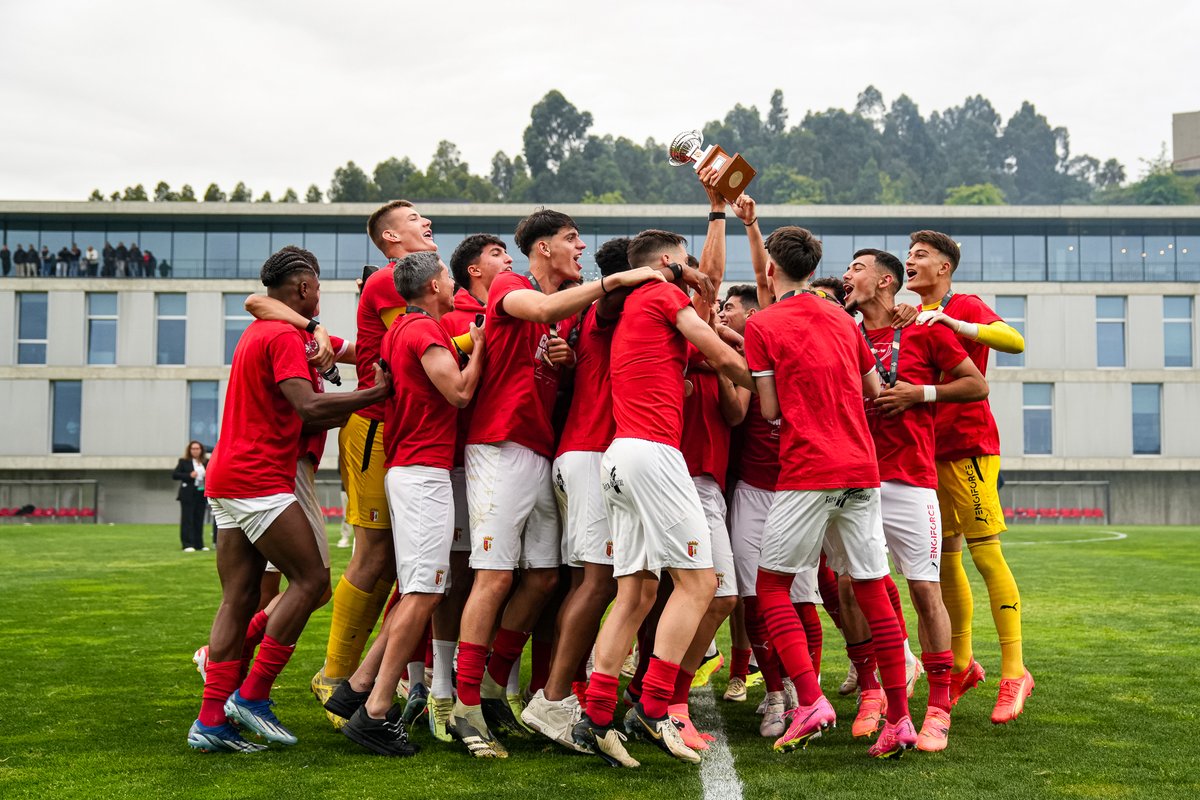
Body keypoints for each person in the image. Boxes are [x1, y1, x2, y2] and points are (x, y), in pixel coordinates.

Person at [451, 210, 667, 759]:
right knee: (494, 579)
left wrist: (567, 363)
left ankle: (496, 686)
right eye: (572, 239)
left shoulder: (568, 318)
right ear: (543, 248)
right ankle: (465, 706)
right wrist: (622, 277)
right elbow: (541, 307)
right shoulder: (513, 284)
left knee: (545, 578)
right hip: (499, 444)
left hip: (542, 449)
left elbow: (558, 341)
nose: (581, 248)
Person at [187, 246, 392, 754]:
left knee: (240, 596)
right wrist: (374, 396)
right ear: (303, 288)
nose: (319, 298)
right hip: (260, 479)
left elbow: (335, 358)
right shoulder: (282, 334)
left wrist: (322, 337)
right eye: (317, 288)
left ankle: (210, 721)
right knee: (312, 580)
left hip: (228, 478)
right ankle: (253, 695)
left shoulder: (267, 331)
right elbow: (309, 407)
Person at [573, 229, 752, 768]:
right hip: (653, 455)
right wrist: (775, 384)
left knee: (636, 594)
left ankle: (596, 716)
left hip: (621, 455)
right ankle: (655, 707)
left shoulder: (628, 307)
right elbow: (717, 349)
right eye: (684, 262)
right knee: (701, 584)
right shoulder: (660, 295)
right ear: (669, 262)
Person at [743, 225, 916, 759]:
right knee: (871, 587)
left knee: (771, 587)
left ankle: (811, 699)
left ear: (772, 269)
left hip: (808, 468)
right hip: (861, 468)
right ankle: (901, 719)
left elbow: (769, 411)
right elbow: (873, 389)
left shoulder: (762, 323)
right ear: (816, 270)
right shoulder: (845, 320)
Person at [335, 251, 485, 757]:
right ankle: (375, 712)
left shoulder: (405, 328)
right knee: (423, 592)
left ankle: (355, 687)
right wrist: (482, 348)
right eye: (446, 277)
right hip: (422, 472)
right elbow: (460, 392)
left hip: (414, 468)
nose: (452, 283)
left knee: (417, 589)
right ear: (434, 286)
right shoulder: (422, 331)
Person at [840, 247, 988, 751]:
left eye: (857, 268)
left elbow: (976, 384)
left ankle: (940, 708)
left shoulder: (925, 328)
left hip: (911, 479)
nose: (847, 275)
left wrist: (918, 394)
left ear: (885, 282)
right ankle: (871, 692)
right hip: (855, 478)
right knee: (851, 587)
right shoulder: (843, 331)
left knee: (925, 592)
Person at [310, 199, 438, 728]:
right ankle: (335, 676)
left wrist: (327, 339)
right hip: (376, 429)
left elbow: (375, 347)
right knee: (374, 556)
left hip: (396, 428)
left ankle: (377, 674)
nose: (426, 222)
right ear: (390, 238)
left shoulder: (399, 283)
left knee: (398, 563)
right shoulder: (392, 281)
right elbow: (413, 344)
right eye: (414, 219)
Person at [901, 230, 1033, 724]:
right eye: (910, 255)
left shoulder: (965, 304)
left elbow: (1015, 341)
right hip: (928, 451)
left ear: (945, 268)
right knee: (945, 559)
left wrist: (956, 323)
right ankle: (960, 663)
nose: (911, 262)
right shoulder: (908, 315)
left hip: (970, 449)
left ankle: (1015, 672)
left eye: (921, 256)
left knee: (986, 554)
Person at [173, 441, 210, 552]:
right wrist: (189, 475)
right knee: (187, 520)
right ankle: (187, 544)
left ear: (201, 450)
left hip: (201, 493)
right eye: (193, 448)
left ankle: (199, 544)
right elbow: (175, 475)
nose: (195, 450)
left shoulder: (205, 462)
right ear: (189, 450)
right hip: (188, 494)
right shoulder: (184, 462)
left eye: (197, 448)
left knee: (199, 519)